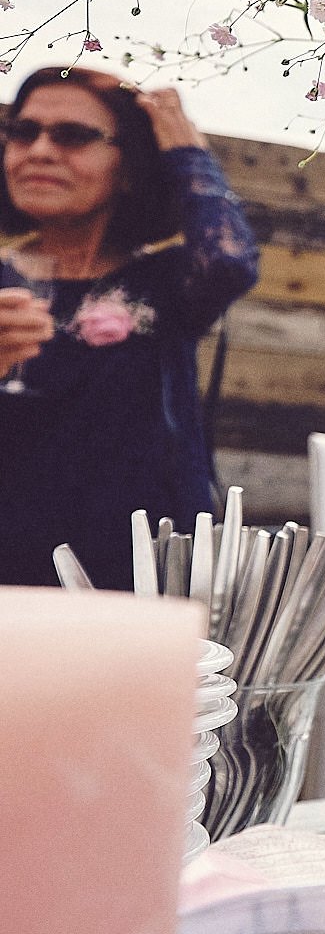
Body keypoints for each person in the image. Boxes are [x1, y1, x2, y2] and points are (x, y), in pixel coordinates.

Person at [0, 66, 260, 588]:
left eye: (73, 135)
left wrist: (184, 147)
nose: (40, 151)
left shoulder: (166, 282)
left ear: (128, 169)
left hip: (142, 579)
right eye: (23, 132)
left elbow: (229, 261)